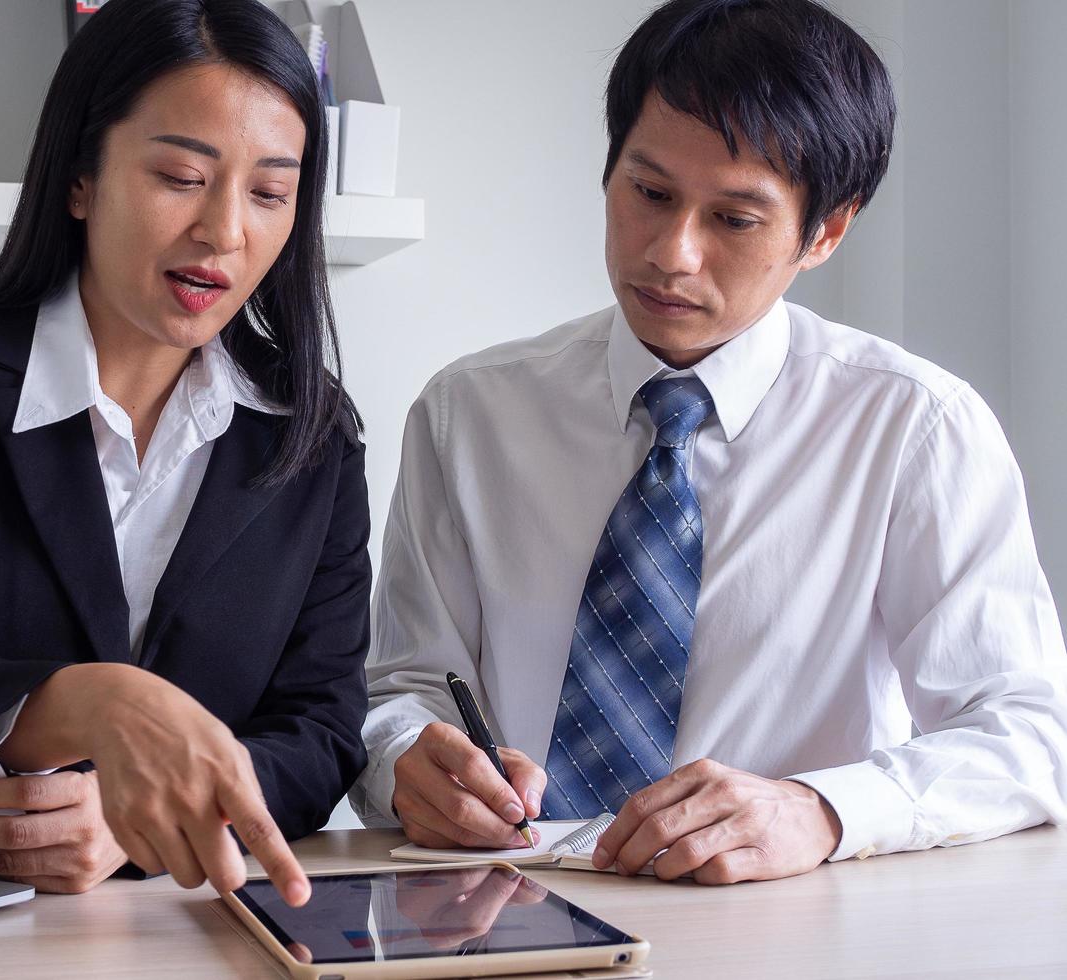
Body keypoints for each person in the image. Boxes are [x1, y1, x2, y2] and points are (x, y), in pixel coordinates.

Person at [353, 0, 1067, 885]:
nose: (671, 254)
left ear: (827, 231)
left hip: (794, 925)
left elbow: (1027, 734)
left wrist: (821, 809)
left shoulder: (915, 428)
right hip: (506, 909)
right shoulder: (470, 414)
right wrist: (405, 763)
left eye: (734, 219)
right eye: (648, 193)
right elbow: (401, 689)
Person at [0, 0, 371, 904]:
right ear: (80, 177)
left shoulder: (315, 433)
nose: (225, 231)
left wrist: (132, 814)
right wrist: (94, 703)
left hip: (192, 925)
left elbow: (323, 730)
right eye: (183, 175)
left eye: (269, 193)